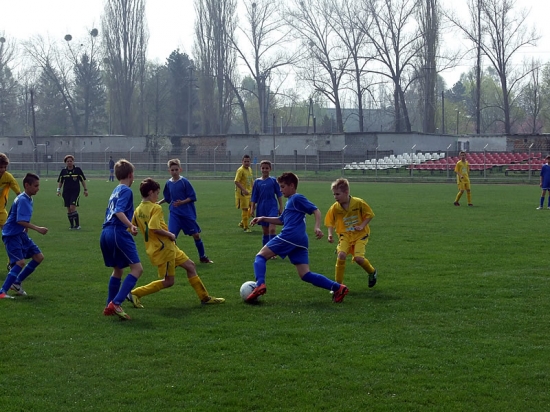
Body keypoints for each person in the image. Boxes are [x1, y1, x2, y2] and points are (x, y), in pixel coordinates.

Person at [246, 172, 349, 303]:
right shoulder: (290, 201)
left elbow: (316, 210)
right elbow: (281, 220)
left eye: (283, 187)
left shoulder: (296, 198)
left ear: (292, 186)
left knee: (260, 256)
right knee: (305, 274)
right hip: (300, 240)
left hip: (290, 236)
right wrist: (262, 218)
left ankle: (260, 284)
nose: (280, 190)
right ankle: (338, 288)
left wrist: (317, 227)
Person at [127, 178, 225, 308]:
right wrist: (170, 234)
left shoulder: (138, 210)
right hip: (164, 249)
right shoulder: (155, 208)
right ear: (150, 192)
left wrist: (135, 230)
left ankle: (205, 297)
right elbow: (154, 228)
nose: (158, 197)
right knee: (169, 281)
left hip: (167, 247)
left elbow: (132, 228)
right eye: (157, 193)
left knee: (190, 266)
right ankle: (135, 293)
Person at [100, 159, 143, 320]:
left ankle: (109, 305)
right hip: (117, 232)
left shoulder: (116, 189)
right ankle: (116, 303)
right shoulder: (126, 190)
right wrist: (131, 225)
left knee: (118, 269)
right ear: (130, 175)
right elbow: (119, 211)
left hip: (105, 232)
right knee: (137, 269)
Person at [0, 173, 48, 299]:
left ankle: (16, 282)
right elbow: (19, 220)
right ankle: (2, 292)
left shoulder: (27, 198)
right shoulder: (22, 199)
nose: (38, 188)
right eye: (36, 186)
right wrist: (38, 228)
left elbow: (18, 215)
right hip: (12, 235)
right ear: (27, 185)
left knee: (38, 257)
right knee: (20, 262)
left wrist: (25, 228)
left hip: (20, 233)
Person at [158, 159, 213, 264]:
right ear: (169, 171)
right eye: (172, 170)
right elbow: (168, 198)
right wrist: (159, 202)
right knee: (171, 236)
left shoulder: (184, 182)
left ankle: (202, 257)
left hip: (186, 214)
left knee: (196, 235)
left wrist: (182, 202)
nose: (174, 172)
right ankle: (174, 259)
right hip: (174, 214)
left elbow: (192, 197)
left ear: (180, 170)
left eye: (176, 169)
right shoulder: (168, 183)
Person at [325, 178, 377, 288]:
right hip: (345, 235)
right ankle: (338, 286)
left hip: (360, 235)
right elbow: (330, 222)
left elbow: (370, 215)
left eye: (337, 194)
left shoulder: (358, 203)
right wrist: (330, 234)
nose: (335, 197)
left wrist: (362, 226)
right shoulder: (335, 207)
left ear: (346, 192)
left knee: (358, 259)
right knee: (341, 255)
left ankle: (372, 272)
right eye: (334, 194)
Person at [250, 160, 283, 249]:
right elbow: (254, 196)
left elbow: (279, 194)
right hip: (261, 207)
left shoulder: (273, 181)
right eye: (263, 168)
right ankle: (265, 250)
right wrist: (252, 208)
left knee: (272, 229)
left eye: (267, 168)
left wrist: (281, 207)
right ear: (260, 169)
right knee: (265, 231)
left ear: (270, 169)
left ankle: (273, 250)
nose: (265, 170)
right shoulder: (257, 182)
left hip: (272, 206)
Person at [57, 154, 88, 229]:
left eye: (71, 161)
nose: (69, 162)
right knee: (68, 209)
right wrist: (58, 190)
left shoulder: (77, 170)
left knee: (72, 207)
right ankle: (71, 225)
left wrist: (85, 190)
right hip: (66, 192)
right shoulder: (63, 171)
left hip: (75, 192)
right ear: (65, 162)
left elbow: (82, 180)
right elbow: (60, 182)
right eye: (68, 161)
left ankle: (77, 225)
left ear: (73, 162)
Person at [0, 152, 21, 231]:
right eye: (0, 167)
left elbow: (18, 193)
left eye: (4, 167)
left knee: (7, 232)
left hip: (1, 210)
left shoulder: (8, 177)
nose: (2, 169)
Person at [234, 154, 254, 232]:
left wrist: (254, 188)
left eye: (248, 161)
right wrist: (243, 190)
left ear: (250, 162)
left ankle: (243, 222)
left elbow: (251, 180)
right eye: (245, 161)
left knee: (253, 207)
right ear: (242, 162)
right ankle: (246, 227)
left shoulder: (250, 169)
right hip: (242, 193)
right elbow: (236, 181)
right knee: (245, 209)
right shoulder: (240, 170)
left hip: (249, 192)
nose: (246, 163)